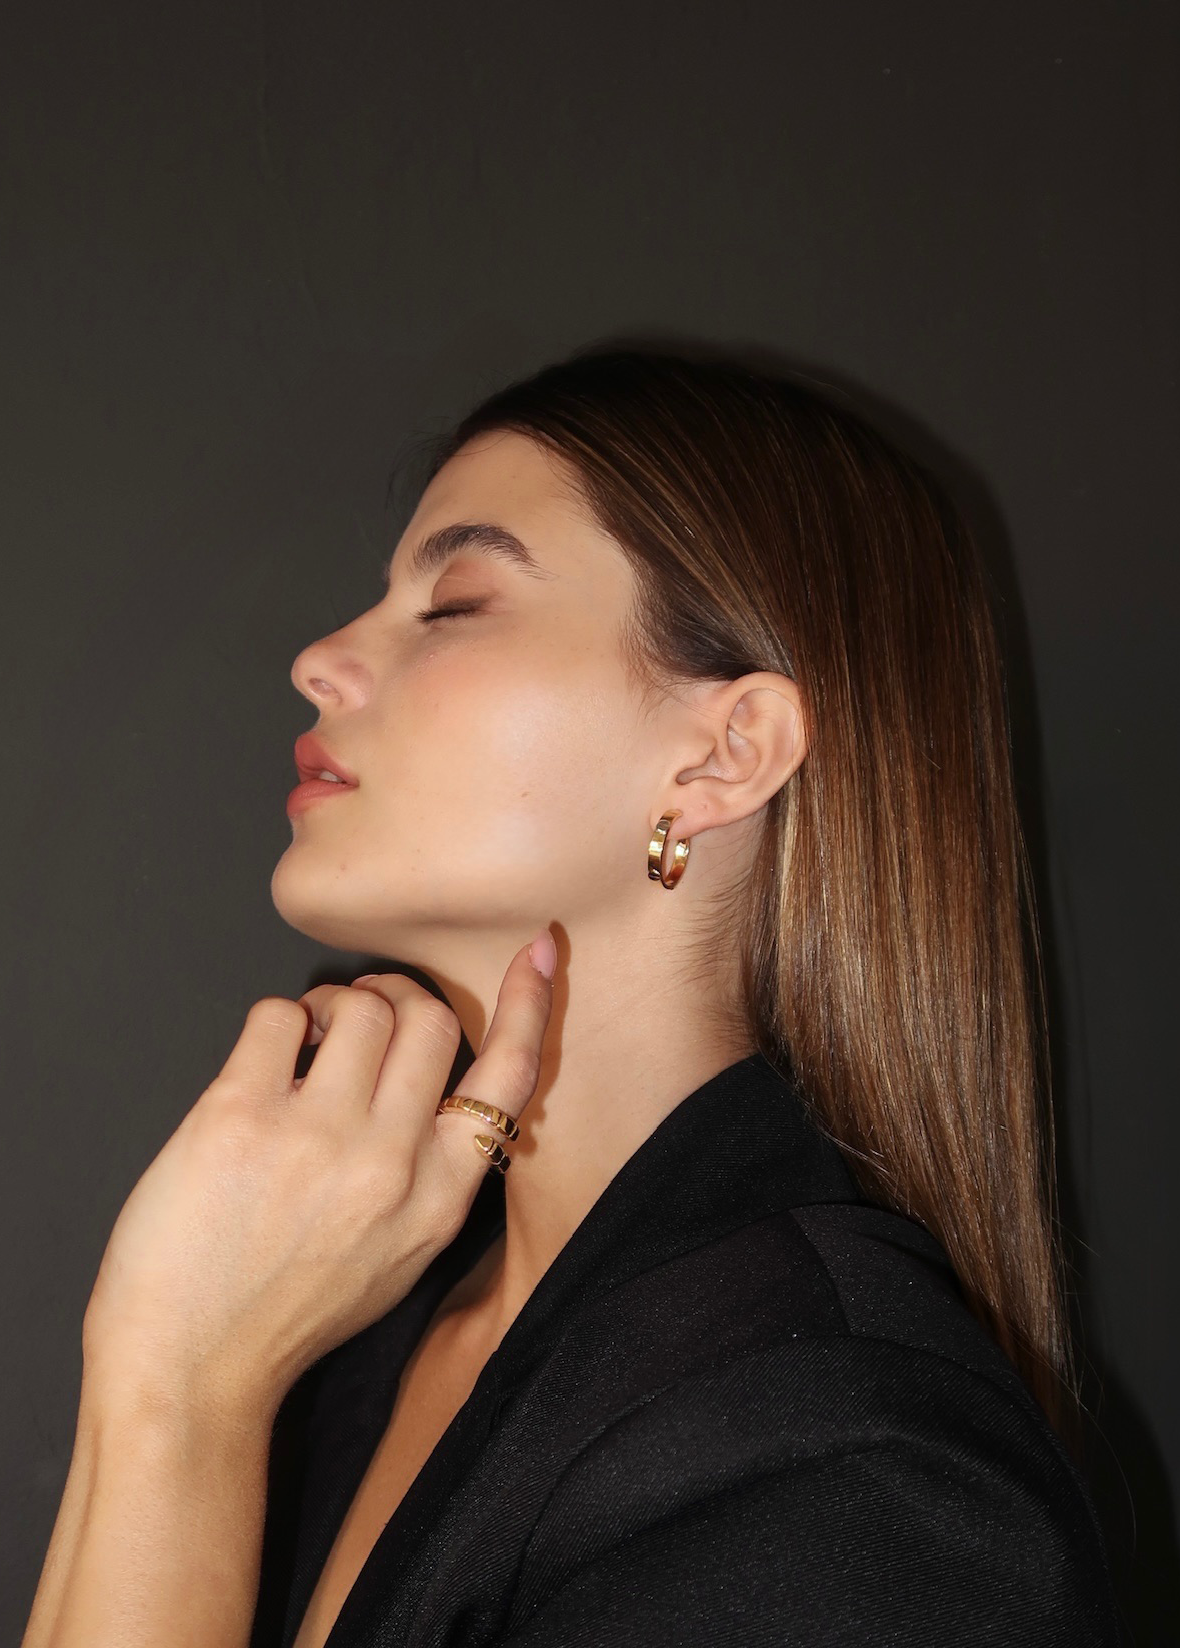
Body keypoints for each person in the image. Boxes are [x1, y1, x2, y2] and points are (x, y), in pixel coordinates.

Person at [22, 345, 1121, 1648]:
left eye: (455, 603)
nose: (320, 658)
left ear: (724, 753)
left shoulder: (847, 1470)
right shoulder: (358, 1316)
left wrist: (179, 1397)